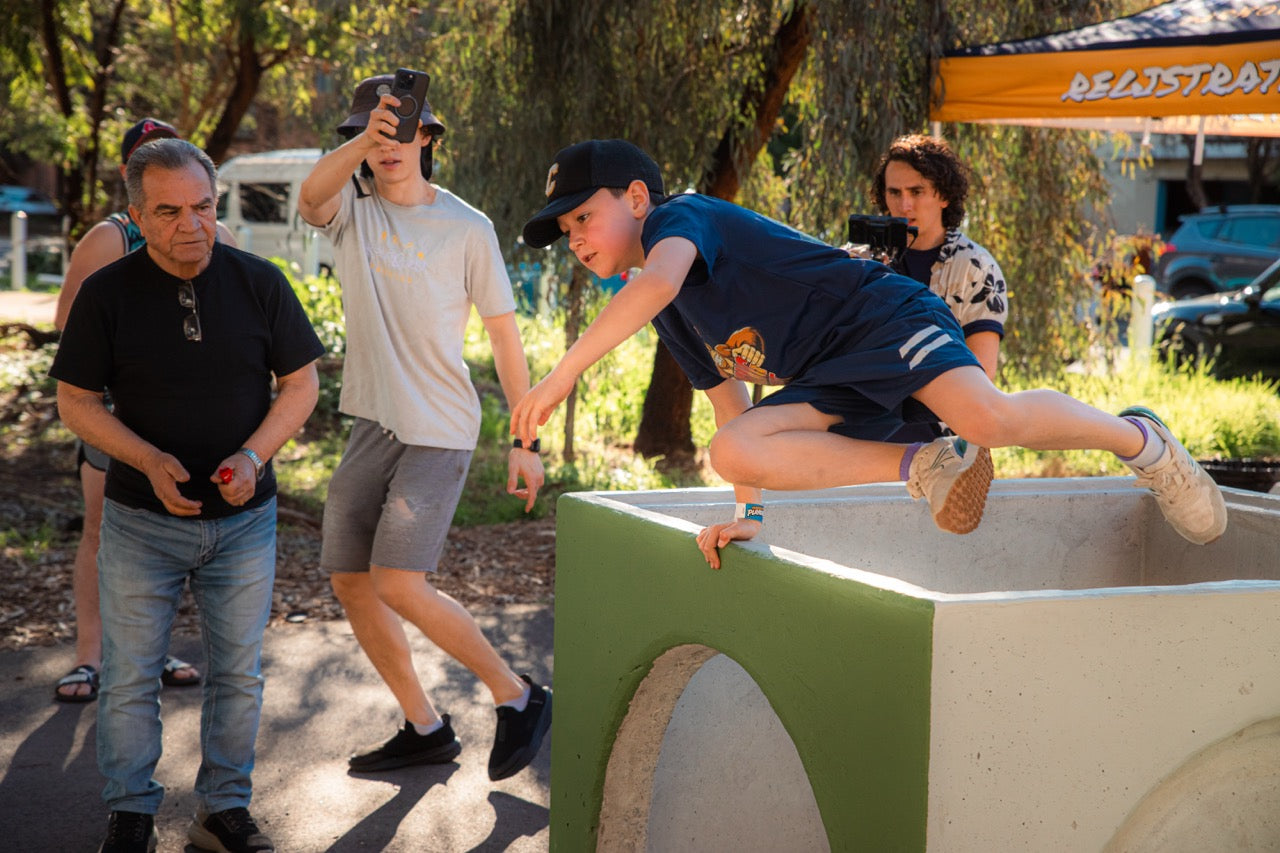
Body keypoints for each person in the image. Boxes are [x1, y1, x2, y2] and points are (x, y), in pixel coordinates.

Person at [511, 139, 1228, 570]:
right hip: (831, 376)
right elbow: (730, 402)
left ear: (636, 197)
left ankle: (1144, 444)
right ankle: (923, 467)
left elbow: (659, 279)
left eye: (582, 217)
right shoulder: (668, 313)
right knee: (729, 449)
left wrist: (561, 375)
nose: (575, 238)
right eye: (565, 229)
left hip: (877, 317)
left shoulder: (681, 218)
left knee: (987, 418)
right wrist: (751, 515)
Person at [51, 137, 323, 853]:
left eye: (202, 206)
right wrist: (145, 456)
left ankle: (222, 809)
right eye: (168, 212)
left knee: (238, 675)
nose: (191, 225)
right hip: (140, 520)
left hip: (245, 523)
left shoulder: (260, 281)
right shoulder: (106, 295)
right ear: (136, 216)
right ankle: (131, 813)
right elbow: (74, 400)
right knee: (130, 679)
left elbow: (302, 385)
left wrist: (252, 453)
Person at [296, 75, 552, 782]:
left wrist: (525, 440)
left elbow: (504, 337)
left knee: (398, 581)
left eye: (401, 132)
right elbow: (309, 200)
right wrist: (360, 140)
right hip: (372, 424)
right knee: (350, 580)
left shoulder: (468, 228)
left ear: (428, 138)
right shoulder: (352, 206)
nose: (388, 147)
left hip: (439, 426)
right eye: (373, 134)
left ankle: (519, 696)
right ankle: (424, 725)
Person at [52, 117, 237, 703]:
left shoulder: (217, 233)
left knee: (177, 535)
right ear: (133, 180)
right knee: (103, 530)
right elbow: (67, 327)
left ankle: (153, 654)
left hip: (188, 421)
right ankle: (89, 656)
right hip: (116, 418)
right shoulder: (108, 238)